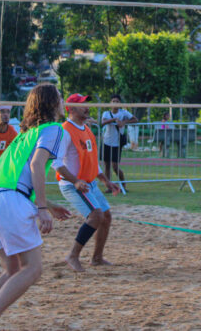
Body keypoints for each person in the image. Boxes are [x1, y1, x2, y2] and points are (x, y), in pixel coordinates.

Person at [0, 83, 71, 331]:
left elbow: (17, 178)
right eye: (60, 97)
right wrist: (42, 208)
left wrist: (48, 204)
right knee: (32, 269)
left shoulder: (24, 135)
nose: (63, 101)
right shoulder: (54, 129)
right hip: (11, 203)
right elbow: (37, 166)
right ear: (51, 103)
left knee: (12, 270)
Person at [54, 94, 121, 272]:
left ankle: (97, 258)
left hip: (88, 183)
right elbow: (56, 163)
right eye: (82, 104)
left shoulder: (86, 129)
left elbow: (92, 162)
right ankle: (73, 255)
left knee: (106, 216)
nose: (87, 107)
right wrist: (75, 181)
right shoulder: (65, 131)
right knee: (95, 216)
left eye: (86, 103)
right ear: (71, 108)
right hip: (72, 184)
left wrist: (106, 181)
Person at [100, 94, 138, 189]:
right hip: (106, 142)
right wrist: (114, 119)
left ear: (120, 103)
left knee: (115, 166)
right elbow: (103, 122)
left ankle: (123, 185)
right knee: (107, 165)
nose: (115, 103)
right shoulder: (106, 113)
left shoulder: (124, 112)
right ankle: (109, 187)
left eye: (117, 101)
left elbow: (135, 119)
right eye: (113, 101)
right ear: (110, 103)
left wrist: (123, 122)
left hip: (117, 144)